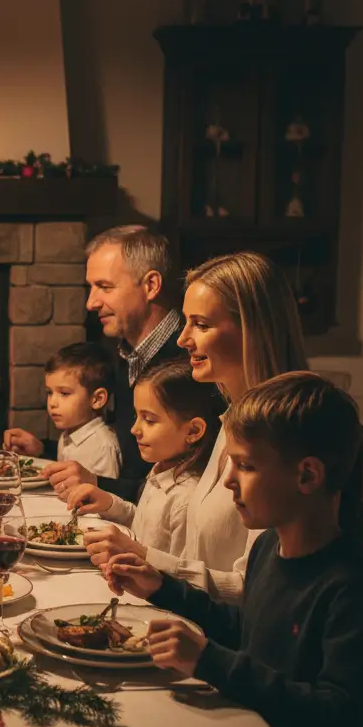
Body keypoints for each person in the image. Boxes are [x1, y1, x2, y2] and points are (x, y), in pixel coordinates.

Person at [105, 373, 363, 727]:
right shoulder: (270, 547)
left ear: (307, 475)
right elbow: (251, 631)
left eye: (243, 465)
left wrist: (211, 660)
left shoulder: (348, 586)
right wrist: (162, 588)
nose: (226, 480)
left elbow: (339, 715)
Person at [82, 251, 309, 602]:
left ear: (253, 329)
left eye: (201, 324)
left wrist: (146, 559)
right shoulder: (231, 419)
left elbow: (258, 592)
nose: (182, 339)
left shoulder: (281, 438)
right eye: (186, 322)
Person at [5, 226, 189, 501]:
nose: (91, 302)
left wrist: (97, 483)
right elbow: (121, 451)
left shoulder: (184, 363)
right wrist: (44, 449)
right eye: (91, 287)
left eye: (104, 287)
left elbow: (172, 495)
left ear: (150, 285)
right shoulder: (130, 354)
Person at [67, 358, 222, 554]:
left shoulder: (185, 499)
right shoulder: (160, 470)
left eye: (149, 420)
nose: (134, 429)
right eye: (136, 417)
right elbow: (147, 529)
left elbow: (176, 573)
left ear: (193, 431)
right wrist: (110, 504)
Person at [40, 343, 120, 478]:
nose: (52, 403)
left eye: (64, 393)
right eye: (49, 392)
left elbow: (108, 495)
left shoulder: (103, 447)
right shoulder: (66, 435)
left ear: (97, 399)